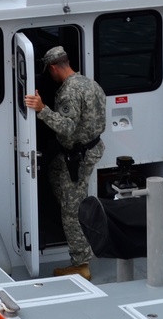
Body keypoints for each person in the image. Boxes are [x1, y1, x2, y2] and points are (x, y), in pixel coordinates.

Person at [24, 46, 106, 280]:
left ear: (52, 68)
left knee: (71, 210)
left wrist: (42, 109)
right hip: (89, 148)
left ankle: (81, 263)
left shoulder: (69, 92)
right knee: (53, 172)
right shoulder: (90, 83)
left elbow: (68, 127)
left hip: (78, 156)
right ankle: (71, 210)